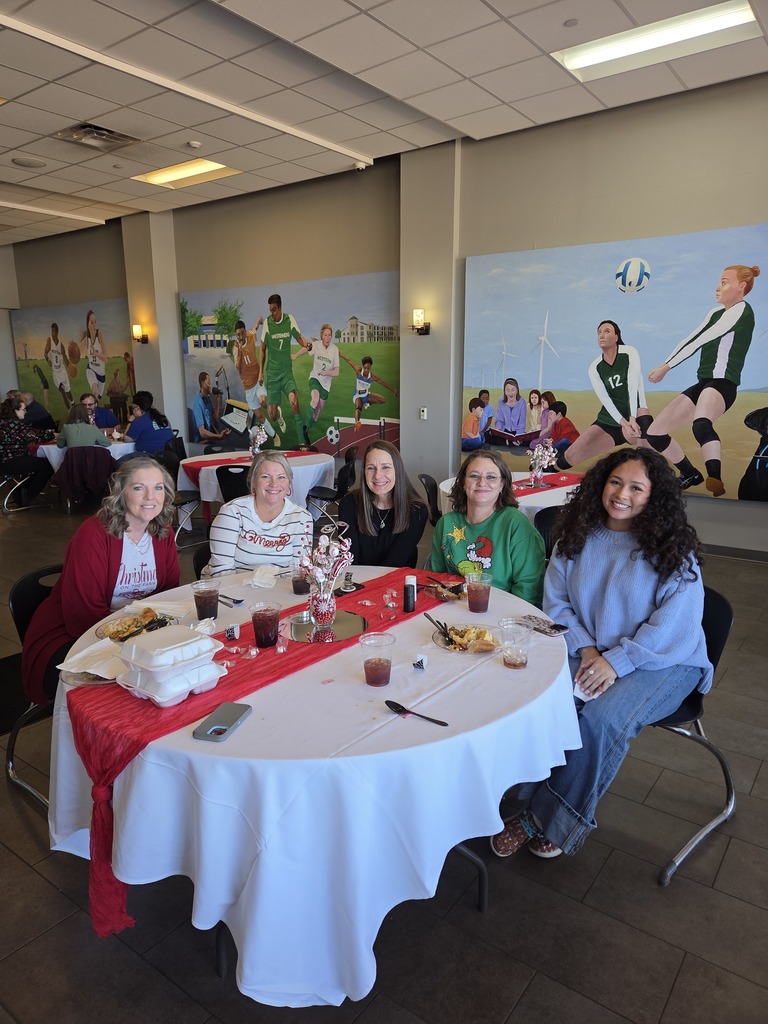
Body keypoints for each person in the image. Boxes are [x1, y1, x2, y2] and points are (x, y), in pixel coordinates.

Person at [489, 448, 711, 860]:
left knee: (600, 720)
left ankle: (543, 818)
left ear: (653, 496)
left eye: (636, 487)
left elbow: (674, 627)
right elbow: (556, 605)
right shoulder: (576, 534)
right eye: (615, 481)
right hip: (593, 649)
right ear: (600, 484)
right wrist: (589, 650)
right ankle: (521, 795)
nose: (622, 493)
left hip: (664, 660)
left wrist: (617, 662)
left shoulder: (671, 548)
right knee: (545, 700)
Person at [22, 459, 180, 704]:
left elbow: (168, 595)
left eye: (158, 488)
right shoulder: (94, 534)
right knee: (131, 692)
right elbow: (82, 613)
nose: (151, 497)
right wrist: (138, 642)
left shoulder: (163, 532)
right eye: (139, 488)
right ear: (121, 492)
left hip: (139, 635)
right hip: (78, 636)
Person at [647, 264, 761, 497]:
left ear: (741, 286)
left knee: (701, 424)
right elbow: (692, 337)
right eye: (720, 281)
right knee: (655, 433)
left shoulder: (742, 311)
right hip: (703, 383)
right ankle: (690, 473)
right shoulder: (714, 313)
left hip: (723, 383)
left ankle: (715, 478)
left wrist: (666, 367)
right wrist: (665, 362)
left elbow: (703, 338)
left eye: (725, 281)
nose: (718, 287)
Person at [431, 450, 546, 606]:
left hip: (501, 612)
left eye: (491, 477)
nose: (482, 483)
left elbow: (529, 590)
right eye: (474, 476)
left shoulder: (516, 524)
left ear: (502, 485)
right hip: (453, 609)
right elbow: (435, 579)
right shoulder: (446, 523)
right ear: (463, 483)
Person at [555, 321, 654, 472]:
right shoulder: (595, 367)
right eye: (599, 332)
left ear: (616, 337)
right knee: (572, 454)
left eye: (607, 331)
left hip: (635, 414)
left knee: (649, 449)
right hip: (610, 419)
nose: (601, 335)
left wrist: (632, 418)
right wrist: (622, 422)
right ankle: (549, 470)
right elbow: (605, 399)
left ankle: (680, 475)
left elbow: (633, 388)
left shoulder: (629, 352)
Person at [204, 452, 312, 576]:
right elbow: (222, 572)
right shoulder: (231, 513)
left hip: (279, 590)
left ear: (289, 483)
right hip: (233, 588)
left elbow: (300, 571)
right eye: (265, 476)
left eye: (281, 477)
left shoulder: (302, 518)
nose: (274, 484)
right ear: (253, 481)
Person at [338, 441, 428, 568]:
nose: (377, 475)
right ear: (364, 472)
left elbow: (395, 562)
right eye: (371, 468)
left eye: (385, 467)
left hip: (395, 581)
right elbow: (349, 560)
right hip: (358, 581)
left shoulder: (416, 511)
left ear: (397, 470)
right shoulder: (349, 504)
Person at [258, 294, 312, 446]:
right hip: (273, 375)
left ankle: (302, 442)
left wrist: (307, 344)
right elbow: (262, 349)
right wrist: (261, 372)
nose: (272, 313)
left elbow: (299, 338)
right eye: (270, 310)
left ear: (280, 308)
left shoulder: (290, 320)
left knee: (295, 402)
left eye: (274, 309)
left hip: (286, 372)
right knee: (273, 416)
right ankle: (278, 412)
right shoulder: (268, 323)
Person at [232, 318, 280, 446]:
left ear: (245, 331)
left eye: (242, 332)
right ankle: (275, 436)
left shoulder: (250, 335)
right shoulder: (236, 348)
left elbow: (255, 327)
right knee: (259, 417)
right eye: (238, 334)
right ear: (235, 335)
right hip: (248, 388)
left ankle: (276, 412)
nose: (241, 336)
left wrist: (259, 320)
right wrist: (241, 350)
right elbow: (237, 366)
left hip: (257, 380)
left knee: (263, 401)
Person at [0, 396, 55, 503]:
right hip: (13, 462)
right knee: (48, 464)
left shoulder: (4, 423)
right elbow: (36, 438)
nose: (25, 412)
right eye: (23, 410)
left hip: (4, 462)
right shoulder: (16, 426)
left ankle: (21, 493)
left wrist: (45, 432)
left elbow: (30, 431)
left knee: (34, 463)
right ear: (15, 410)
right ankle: (28, 494)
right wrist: (51, 434)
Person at [292, 322, 340, 440]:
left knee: (317, 412)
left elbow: (337, 372)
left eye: (329, 335)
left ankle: (306, 430)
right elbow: (306, 348)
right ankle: (304, 430)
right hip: (315, 378)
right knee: (314, 400)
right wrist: (296, 355)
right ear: (321, 336)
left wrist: (327, 373)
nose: (328, 337)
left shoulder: (334, 350)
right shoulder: (316, 345)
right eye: (325, 335)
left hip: (326, 385)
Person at [339, 353, 399, 432]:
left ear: (371, 367)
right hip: (357, 396)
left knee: (383, 400)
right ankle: (357, 423)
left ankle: (368, 404)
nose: (367, 370)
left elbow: (384, 383)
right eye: (365, 368)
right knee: (358, 407)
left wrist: (395, 391)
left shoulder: (372, 377)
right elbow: (348, 360)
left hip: (366, 395)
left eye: (368, 368)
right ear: (363, 366)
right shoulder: (358, 371)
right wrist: (339, 354)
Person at [123, 391, 173, 456]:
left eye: (132, 408)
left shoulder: (140, 421)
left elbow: (127, 439)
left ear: (137, 408)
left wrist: (130, 421)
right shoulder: (162, 417)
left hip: (150, 456)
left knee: (121, 462)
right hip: (169, 456)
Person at [192, 371, 231, 445]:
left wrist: (217, 402)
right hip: (202, 442)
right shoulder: (197, 403)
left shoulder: (207, 399)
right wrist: (219, 436)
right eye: (209, 383)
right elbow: (202, 433)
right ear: (203, 383)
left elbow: (215, 418)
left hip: (210, 439)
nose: (211, 385)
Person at [44, 322, 74, 411]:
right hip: (56, 372)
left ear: (57, 332)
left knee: (68, 392)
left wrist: (70, 367)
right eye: (52, 330)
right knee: (63, 392)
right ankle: (70, 411)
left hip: (62, 371)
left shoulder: (61, 345)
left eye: (54, 331)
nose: (53, 333)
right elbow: (45, 353)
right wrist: (48, 360)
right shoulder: (49, 340)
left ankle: (73, 405)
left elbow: (65, 359)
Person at [487, 377, 526, 443]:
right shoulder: (501, 401)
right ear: (504, 391)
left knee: (527, 441)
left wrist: (519, 437)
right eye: (508, 390)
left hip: (517, 432)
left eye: (513, 390)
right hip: (505, 432)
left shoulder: (522, 402)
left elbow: (522, 423)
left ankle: (509, 442)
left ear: (517, 390)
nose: (510, 393)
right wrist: (498, 429)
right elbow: (500, 419)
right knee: (488, 437)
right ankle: (508, 442)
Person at [82, 309, 107, 400]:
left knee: (97, 399)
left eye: (95, 322)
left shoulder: (99, 334)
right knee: (95, 391)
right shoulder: (86, 338)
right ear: (87, 323)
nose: (94, 324)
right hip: (91, 369)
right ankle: (89, 411)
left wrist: (96, 354)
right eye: (91, 322)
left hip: (101, 373)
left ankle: (93, 412)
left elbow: (105, 358)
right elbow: (78, 350)